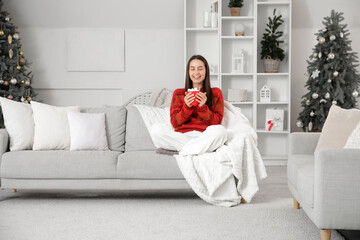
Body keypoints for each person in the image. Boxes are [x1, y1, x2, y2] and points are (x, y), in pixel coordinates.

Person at [150, 55, 227, 156]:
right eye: (192, 69)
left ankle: (183, 151)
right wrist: (187, 107)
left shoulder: (216, 93)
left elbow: (216, 122)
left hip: (204, 135)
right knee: (156, 130)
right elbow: (175, 123)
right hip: (182, 136)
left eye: (200, 69)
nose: (196, 73)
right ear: (188, 72)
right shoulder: (179, 93)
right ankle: (198, 149)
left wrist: (202, 107)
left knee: (221, 131)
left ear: (206, 71)